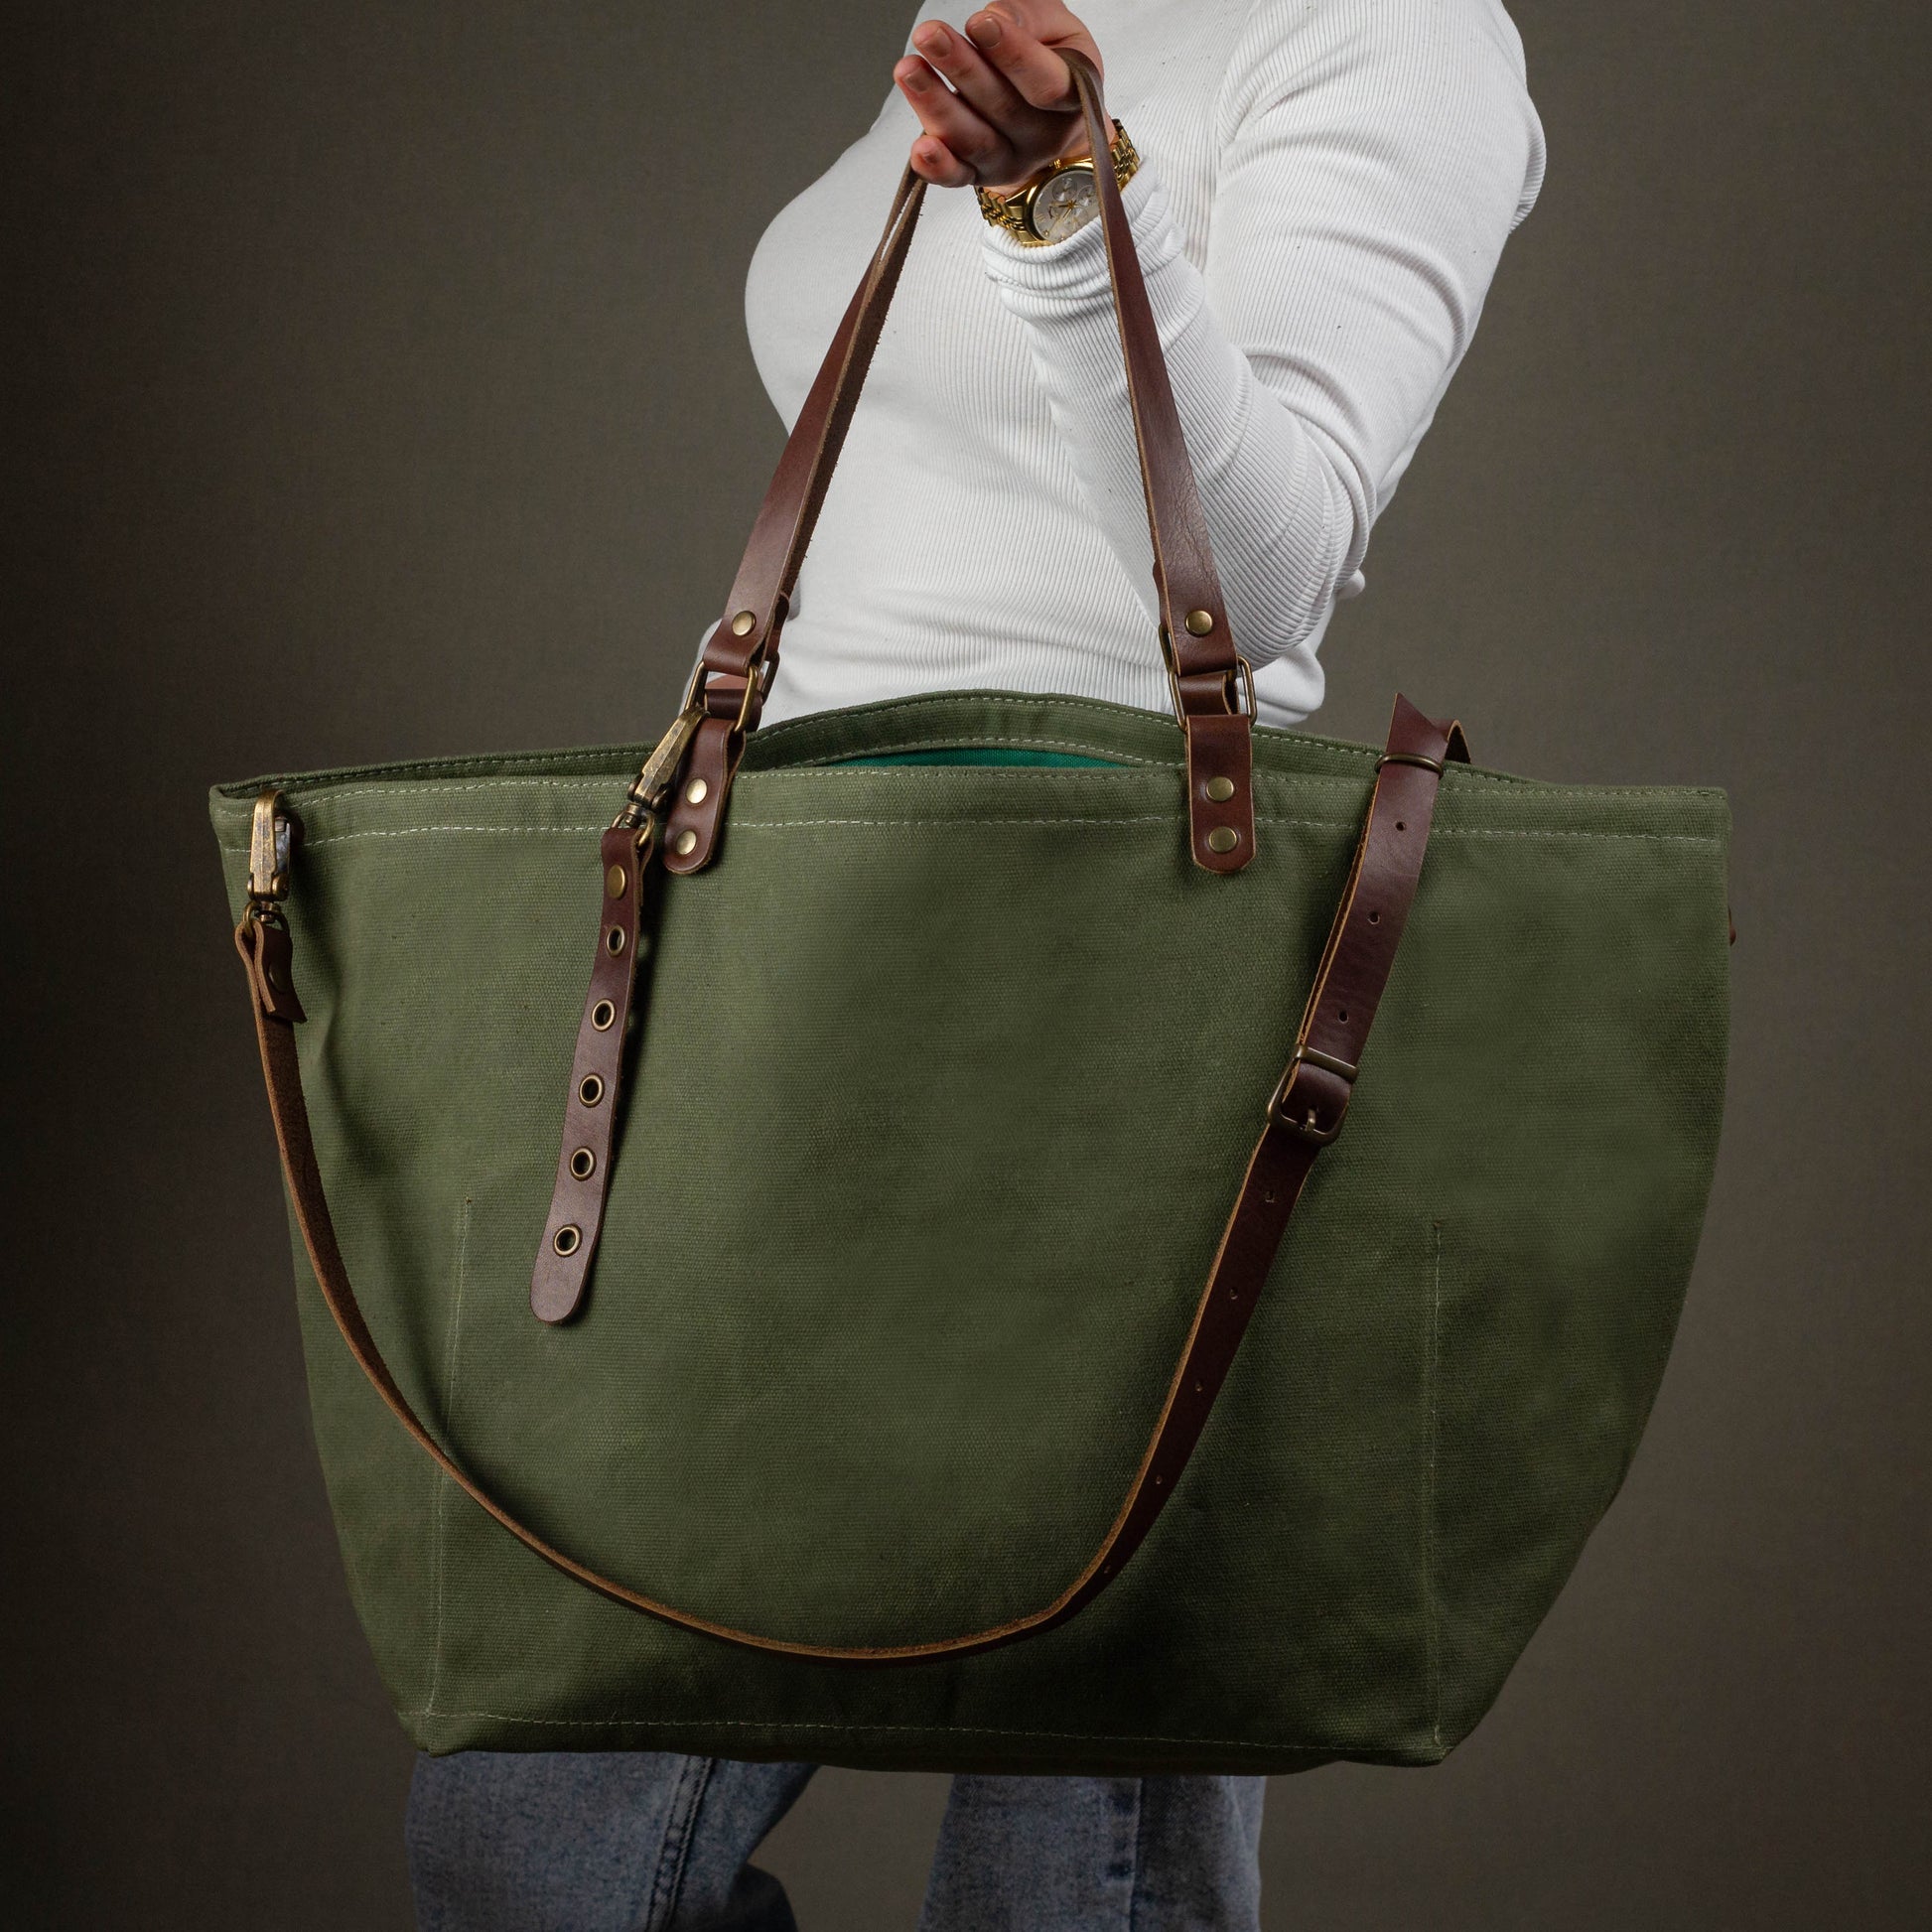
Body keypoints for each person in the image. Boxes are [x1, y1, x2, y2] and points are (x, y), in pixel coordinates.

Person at [408, 3, 1545, 1925]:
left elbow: (1257, 575)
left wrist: (1060, 205)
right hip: (789, 964)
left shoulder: (1398, 31)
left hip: (1109, 1006)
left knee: (1077, 1864)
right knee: (533, 1848)